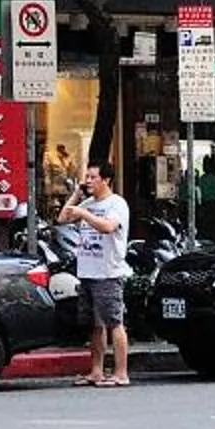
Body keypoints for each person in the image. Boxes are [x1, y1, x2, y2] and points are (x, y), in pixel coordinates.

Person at [59, 160, 133, 387]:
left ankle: (121, 372)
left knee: (114, 321)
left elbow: (108, 227)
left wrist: (84, 213)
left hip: (108, 272)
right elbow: (62, 219)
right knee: (95, 324)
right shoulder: (88, 202)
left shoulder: (116, 204)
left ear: (106, 180)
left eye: (93, 177)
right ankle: (96, 371)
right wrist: (76, 196)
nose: (88, 181)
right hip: (88, 271)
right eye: (87, 177)